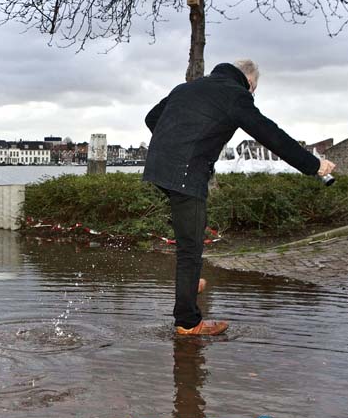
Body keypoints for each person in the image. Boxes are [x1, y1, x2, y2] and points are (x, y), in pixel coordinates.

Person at [143, 60, 335, 336]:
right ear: (248, 81)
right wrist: (313, 165)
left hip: (159, 168)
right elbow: (271, 135)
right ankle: (188, 323)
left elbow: (152, 118)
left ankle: (188, 284)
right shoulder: (236, 95)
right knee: (190, 248)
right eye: (253, 90)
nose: (252, 95)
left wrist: (178, 144)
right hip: (185, 174)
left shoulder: (188, 87)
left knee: (191, 236)